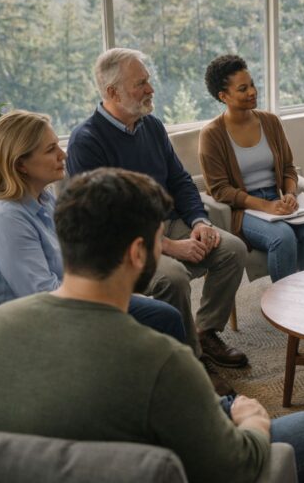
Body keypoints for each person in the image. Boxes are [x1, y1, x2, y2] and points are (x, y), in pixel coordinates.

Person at [0, 168, 304, 483]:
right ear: (138, 252)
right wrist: (252, 423)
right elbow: (238, 466)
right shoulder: (160, 359)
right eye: (159, 238)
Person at [67, 48, 248, 384]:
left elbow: (180, 181)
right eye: (140, 84)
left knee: (233, 249)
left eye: (148, 81)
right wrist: (167, 245)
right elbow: (105, 218)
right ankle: (189, 361)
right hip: (126, 244)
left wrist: (199, 221)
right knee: (172, 278)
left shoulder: (151, 126)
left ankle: (206, 332)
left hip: (169, 223)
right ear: (112, 93)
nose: (150, 89)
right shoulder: (86, 142)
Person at [0, 110, 184, 343]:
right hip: (19, 327)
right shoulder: (3, 219)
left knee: (158, 312)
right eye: (51, 149)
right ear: (21, 164)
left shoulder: (41, 197)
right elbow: (43, 296)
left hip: (55, 302)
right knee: (163, 318)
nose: (63, 154)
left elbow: (71, 259)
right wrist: (109, 293)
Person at [199, 55, 304, 282]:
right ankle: (283, 302)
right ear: (223, 96)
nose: (252, 92)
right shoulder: (211, 135)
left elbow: (288, 168)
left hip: (277, 198)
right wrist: (265, 206)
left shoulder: (270, 122)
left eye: (252, 84)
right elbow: (220, 190)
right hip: (244, 209)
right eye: (243, 89)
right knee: (283, 237)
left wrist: (289, 194)